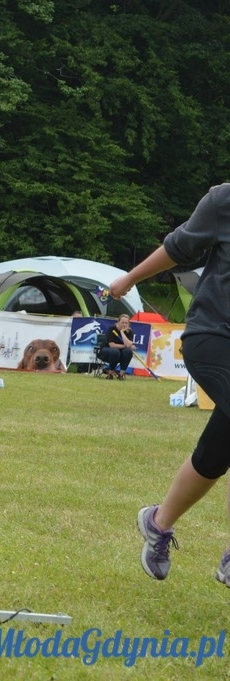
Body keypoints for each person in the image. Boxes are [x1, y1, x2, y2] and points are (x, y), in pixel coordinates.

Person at [110, 182, 230, 585]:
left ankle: (158, 524)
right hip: (213, 337)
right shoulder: (223, 200)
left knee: (217, 451)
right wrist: (128, 280)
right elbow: (179, 248)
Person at [99, 314, 134, 380]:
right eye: (122, 322)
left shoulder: (130, 331)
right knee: (115, 351)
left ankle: (121, 374)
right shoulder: (112, 329)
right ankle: (110, 373)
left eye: (126, 323)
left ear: (128, 323)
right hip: (107, 351)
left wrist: (122, 332)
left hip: (121, 353)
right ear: (118, 322)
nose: (124, 324)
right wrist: (125, 346)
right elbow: (112, 345)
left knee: (128, 351)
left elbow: (128, 345)